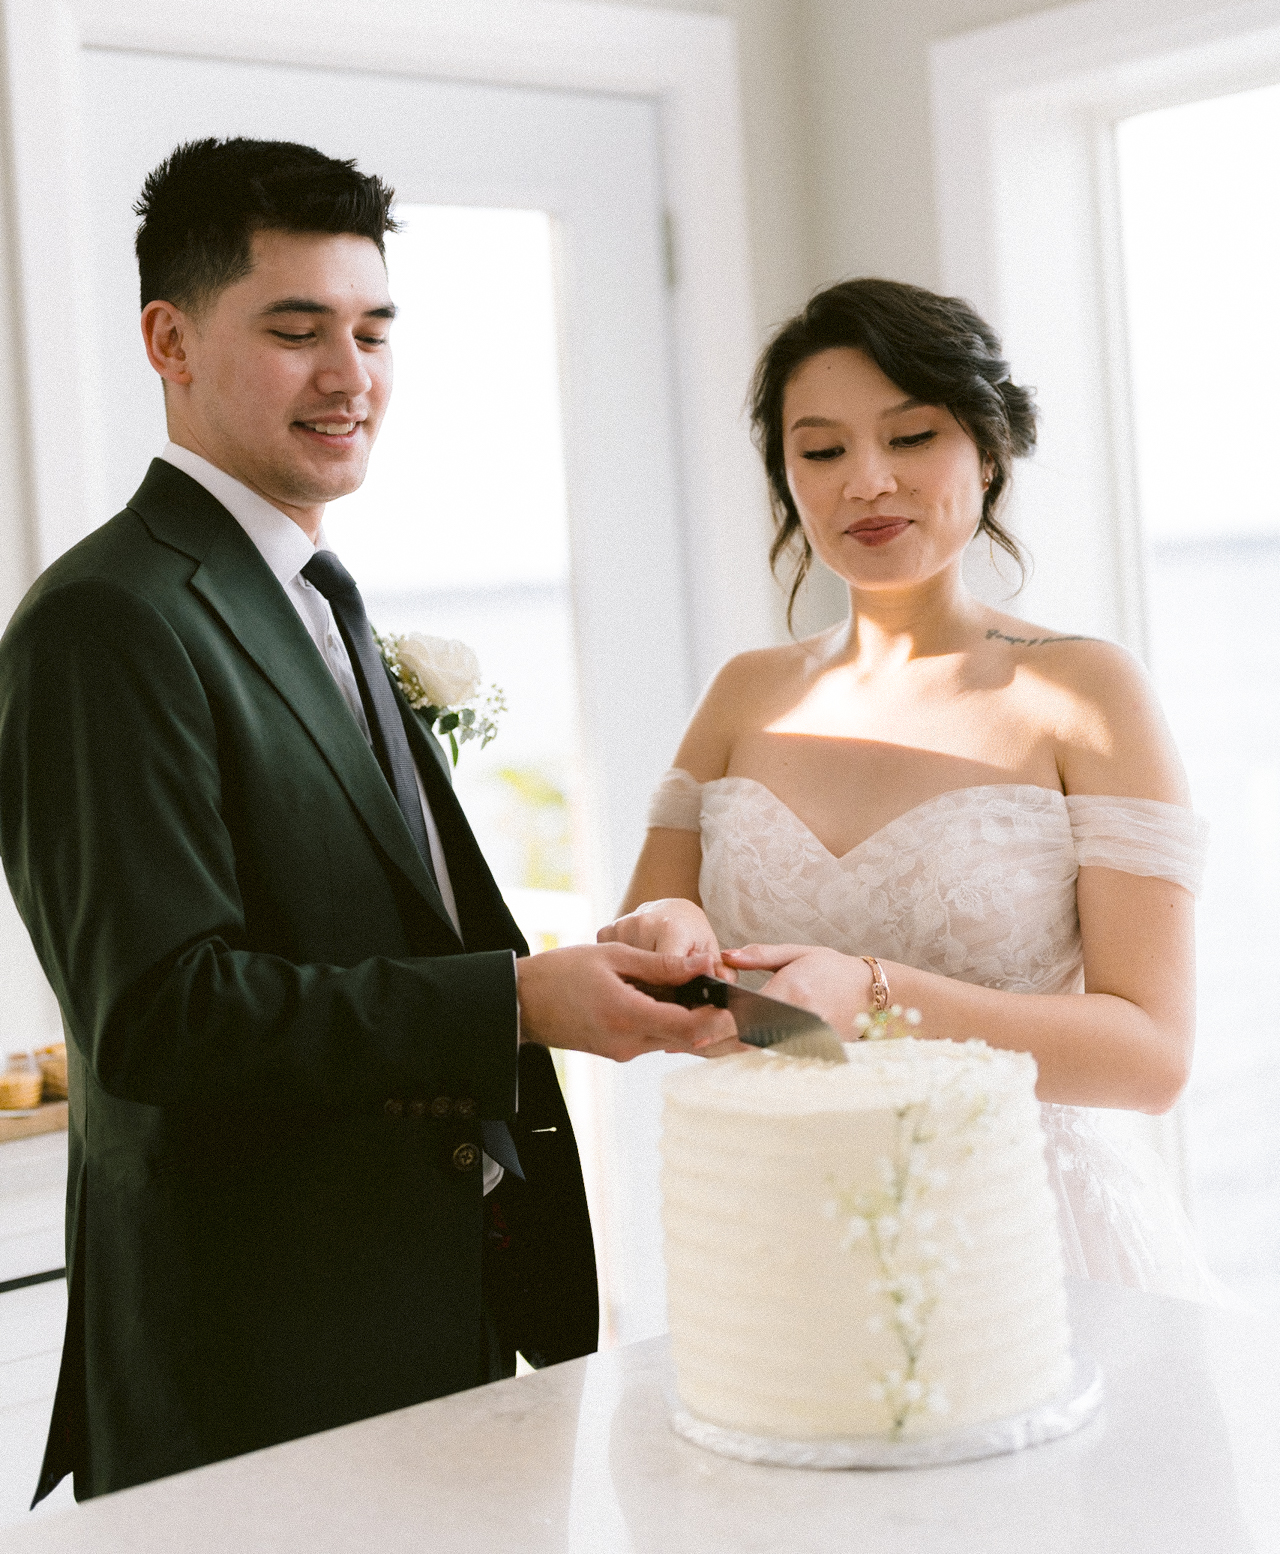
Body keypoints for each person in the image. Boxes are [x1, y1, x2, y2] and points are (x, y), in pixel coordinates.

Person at [0, 137, 733, 1504]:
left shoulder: (315, 592)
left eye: (374, 331)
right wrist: (512, 1002)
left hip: (437, 1314)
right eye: (297, 332)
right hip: (260, 1366)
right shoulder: (109, 620)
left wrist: (560, 975)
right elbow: (160, 1017)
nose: (353, 378)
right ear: (168, 338)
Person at [603, 276, 1222, 1300]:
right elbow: (661, 977)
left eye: (910, 436)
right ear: (784, 476)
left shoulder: (1082, 691)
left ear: (987, 450)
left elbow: (1148, 1059)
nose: (866, 482)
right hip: (786, 1244)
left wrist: (874, 995)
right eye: (821, 449)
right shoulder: (741, 694)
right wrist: (664, 930)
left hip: (1031, 1245)